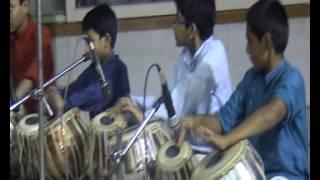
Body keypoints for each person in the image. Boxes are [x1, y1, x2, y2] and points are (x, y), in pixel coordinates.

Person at [179, 0, 309, 179]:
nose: (247, 49)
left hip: (285, 175)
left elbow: (273, 112)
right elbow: (223, 120)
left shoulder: (292, 79)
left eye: (250, 40)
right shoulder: (251, 79)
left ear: (267, 41)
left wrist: (226, 140)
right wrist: (195, 120)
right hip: (252, 170)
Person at [132, 0, 232, 155]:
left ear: (192, 30)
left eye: (177, 20)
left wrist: (143, 118)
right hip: (188, 149)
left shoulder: (214, 55)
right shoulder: (185, 56)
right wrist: (134, 102)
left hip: (211, 154)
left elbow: (181, 103)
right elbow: (169, 102)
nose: (173, 26)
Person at [60, 4, 135, 123]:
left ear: (106, 40)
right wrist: (57, 92)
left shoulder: (117, 68)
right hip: (99, 137)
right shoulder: (91, 71)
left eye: (90, 42)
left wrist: (68, 103)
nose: (86, 49)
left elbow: (97, 94)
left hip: (117, 136)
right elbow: (74, 89)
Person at [10, 0, 62, 117]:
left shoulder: (41, 34)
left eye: (10, 8)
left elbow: (34, 72)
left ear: (25, 6)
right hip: (19, 114)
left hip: (43, 114)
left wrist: (14, 102)